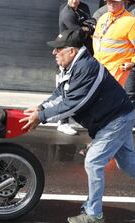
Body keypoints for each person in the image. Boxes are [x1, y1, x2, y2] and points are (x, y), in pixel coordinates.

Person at [20, 29, 135, 223]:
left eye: (58, 49)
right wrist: (41, 107)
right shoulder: (73, 67)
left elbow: (75, 103)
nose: (53, 53)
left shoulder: (86, 68)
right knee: (127, 164)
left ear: (72, 51)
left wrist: (42, 116)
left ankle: (94, 215)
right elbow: (61, 93)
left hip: (116, 119)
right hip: (115, 117)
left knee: (93, 162)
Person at [56, 0, 96, 135]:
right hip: (68, 54)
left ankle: (80, 117)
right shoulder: (66, 12)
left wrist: (87, 27)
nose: (74, 1)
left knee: (81, 86)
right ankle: (62, 122)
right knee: (66, 88)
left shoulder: (84, 7)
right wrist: (86, 27)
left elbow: (92, 24)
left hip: (81, 54)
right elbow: (79, 34)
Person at [93, 0, 135, 86]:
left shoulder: (131, 22)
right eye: (109, 2)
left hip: (117, 72)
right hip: (99, 69)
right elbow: (96, 39)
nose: (111, 4)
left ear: (123, 2)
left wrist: (133, 63)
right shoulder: (102, 18)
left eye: (115, 2)